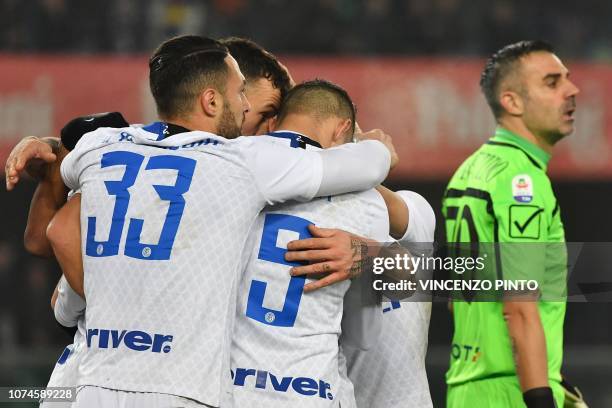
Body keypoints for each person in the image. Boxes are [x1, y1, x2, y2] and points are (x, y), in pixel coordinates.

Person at [45, 34, 394, 408]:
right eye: (242, 95)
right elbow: (435, 283)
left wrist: (46, 148)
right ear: (211, 100)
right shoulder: (243, 165)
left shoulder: (102, 146)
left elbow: (57, 229)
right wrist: (379, 155)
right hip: (189, 390)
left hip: (93, 383)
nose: (245, 109)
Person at [442, 40, 579, 408]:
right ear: (512, 101)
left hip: (467, 388)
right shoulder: (523, 181)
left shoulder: (470, 169)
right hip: (512, 390)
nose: (572, 90)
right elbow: (519, 305)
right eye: (552, 82)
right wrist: (540, 397)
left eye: (567, 78)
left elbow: (459, 301)